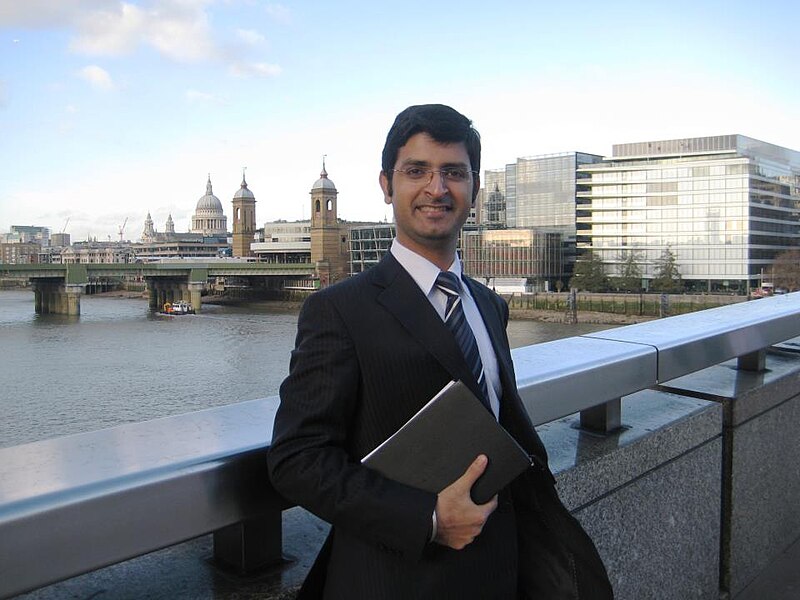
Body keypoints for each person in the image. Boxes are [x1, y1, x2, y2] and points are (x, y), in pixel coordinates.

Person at [267, 104, 613, 599]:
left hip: (502, 573)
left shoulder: (489, 306)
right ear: (387, 185)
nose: (437, 188)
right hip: (399, 579)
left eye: (454, 172)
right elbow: (296, 459)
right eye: (417, 171)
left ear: (472, 188)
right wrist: (426, 518)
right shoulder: (338, 310)